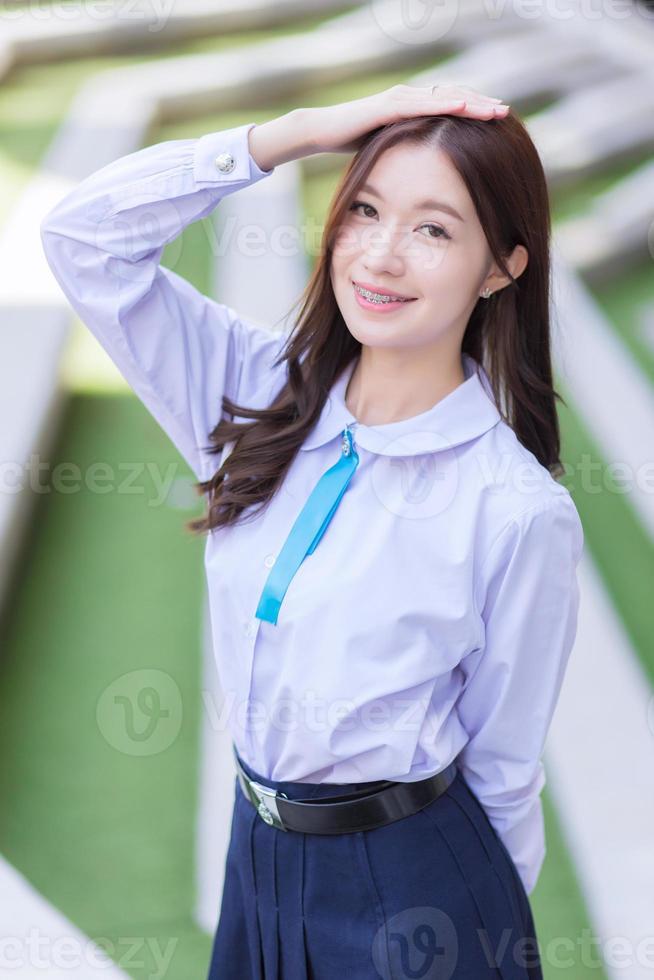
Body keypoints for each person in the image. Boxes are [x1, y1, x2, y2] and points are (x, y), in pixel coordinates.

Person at [40, 83, 583, 980]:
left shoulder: (514, 509)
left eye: (434, 229)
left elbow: (506, 766)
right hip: (258, 854)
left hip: (414, 889)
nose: (381, 254)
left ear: (502, 267)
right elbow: (84, 241)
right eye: (365, 209)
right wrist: (284, 136)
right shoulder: (256, 390)